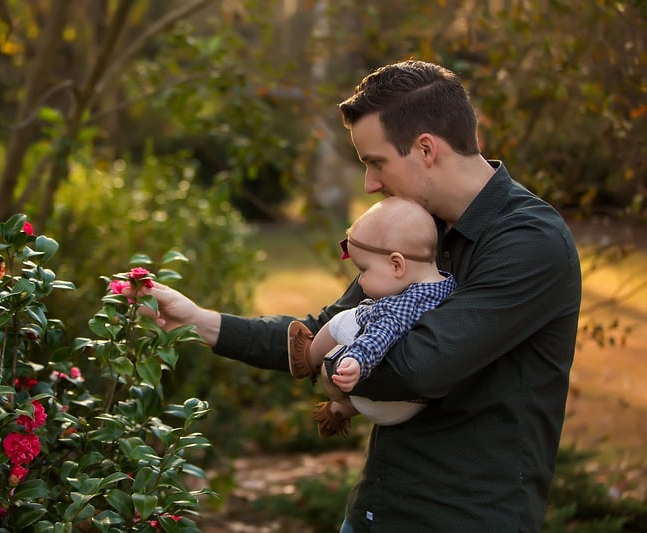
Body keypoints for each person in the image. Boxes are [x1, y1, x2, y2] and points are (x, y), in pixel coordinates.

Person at [133, 60, 582, 532]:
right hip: (373, 512)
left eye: (376, 162)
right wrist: (199, 322)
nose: (369, 184)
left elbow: (414, 369)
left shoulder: (529, 242)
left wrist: (329, 365)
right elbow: (326, 327)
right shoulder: (416, 230)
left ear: (426, 149)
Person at [286, 197, 456, 438]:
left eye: (363, 270)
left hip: (384, 401)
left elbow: (380, 335)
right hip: (418, 403)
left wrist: (356, 360)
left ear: (397, 265)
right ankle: (340, 410)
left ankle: (308, 357)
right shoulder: (448, 285)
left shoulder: (398, 308)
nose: (361, 281)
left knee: (346, 319)